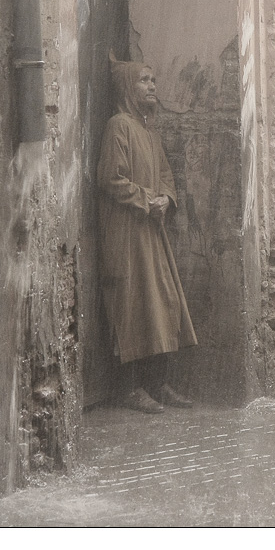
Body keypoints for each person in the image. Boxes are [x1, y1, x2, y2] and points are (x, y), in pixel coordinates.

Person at [98, 53, 198, 413]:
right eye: (143, 80)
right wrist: (146, 200)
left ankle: (158, 383)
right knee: (132, 305)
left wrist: (167, 199)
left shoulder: (149, 131)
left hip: (152, 230)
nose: (152, 86)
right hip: (127, 232)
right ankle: (130, 388)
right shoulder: (118, 126)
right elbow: (110, 178)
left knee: (162, 303)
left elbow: (167, 174)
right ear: (127, 87)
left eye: (153, 79)